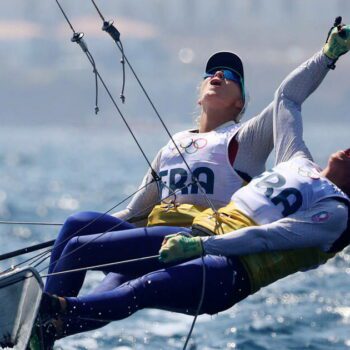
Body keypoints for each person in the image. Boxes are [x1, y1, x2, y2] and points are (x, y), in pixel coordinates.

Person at [27, 23, 350, 350]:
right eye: (212, 73)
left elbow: (288, 98)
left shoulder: (245, 140)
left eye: (230, 76)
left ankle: (41, 316)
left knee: (85, 252)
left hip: (195, 241)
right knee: (77, 230)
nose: (218, 76)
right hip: (151, 239)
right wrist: (74, 240)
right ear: (199, 97)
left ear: (240, 104)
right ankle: (41, 328)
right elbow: (136, 213)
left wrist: (327, 56)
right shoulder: (174, 144)